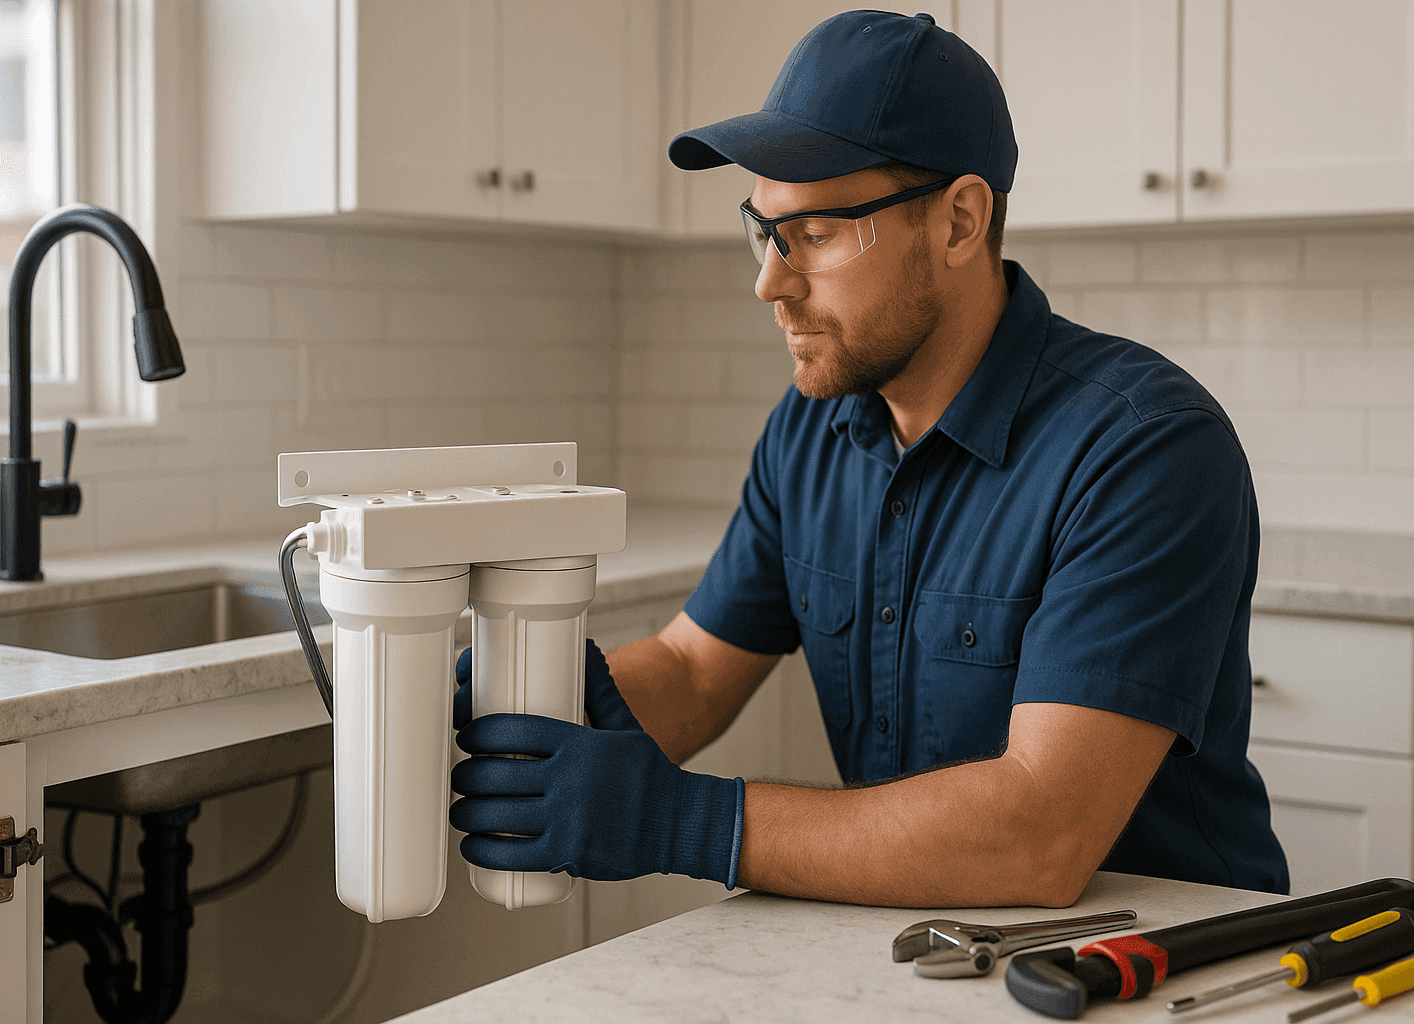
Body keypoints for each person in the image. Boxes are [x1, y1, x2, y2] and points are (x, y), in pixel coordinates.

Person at [449, 10, 1288, 908]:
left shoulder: (1144, 449)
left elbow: (1042, 832)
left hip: (1158, 969)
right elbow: (695, 670)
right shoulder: (813, 430)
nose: (769, 281)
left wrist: (682, 821)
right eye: (763, 230)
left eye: (814, 234)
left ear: (960, 222)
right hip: (921, 945)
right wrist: (557, 704)